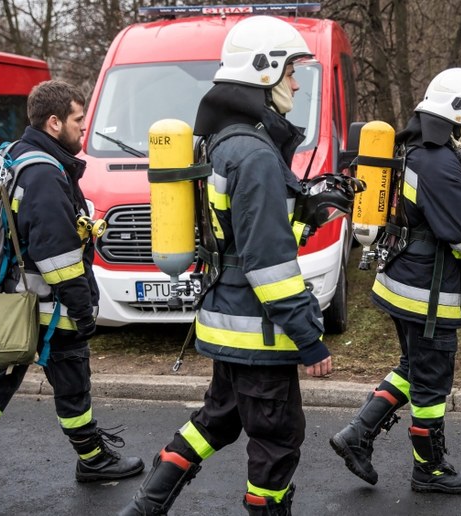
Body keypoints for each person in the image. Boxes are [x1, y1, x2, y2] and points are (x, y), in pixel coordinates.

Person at [119, 16, 331, 516]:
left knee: (218, 420)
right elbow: (268, 264)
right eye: (292, 73)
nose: (298, 85)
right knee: (277, 439)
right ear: (265, 73)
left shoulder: (224, 141)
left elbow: (238, 240)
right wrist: (309, 337)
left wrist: (307, 213)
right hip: (257, 330)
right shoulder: (254, 154)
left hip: (226, 319)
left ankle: (147, 505)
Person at [0, 80, 144, 503]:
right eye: (79, 120)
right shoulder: (43, 172)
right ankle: (93, 459)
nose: (84, 128)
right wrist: (83, 309)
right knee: (72, 378)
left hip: (18, 301)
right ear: (55, 121)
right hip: (49, 307)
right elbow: (55, 253)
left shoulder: (17, 156)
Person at [329, 68, 461, 494]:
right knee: (432, 383)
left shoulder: (414, 151)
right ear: (457, 112)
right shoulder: (438, 161)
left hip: (402, 284)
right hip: (428, 295)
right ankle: (430, 469)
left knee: (412, 368)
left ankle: (357, 435)